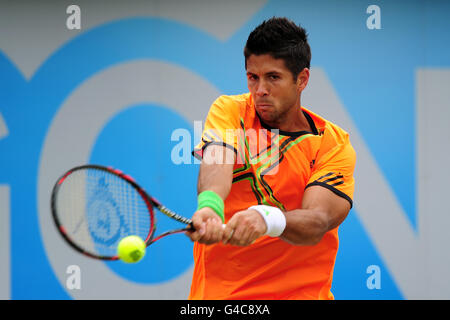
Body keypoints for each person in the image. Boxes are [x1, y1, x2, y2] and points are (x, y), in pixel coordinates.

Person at [186, 17, 356, 300]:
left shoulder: (331, 144)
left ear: (302, 79)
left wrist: (267, 219)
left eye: (273, 77)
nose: (260, 90)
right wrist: (210, 206)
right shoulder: (231, 110)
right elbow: (217, 159)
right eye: (253, 77)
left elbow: (318, 220)